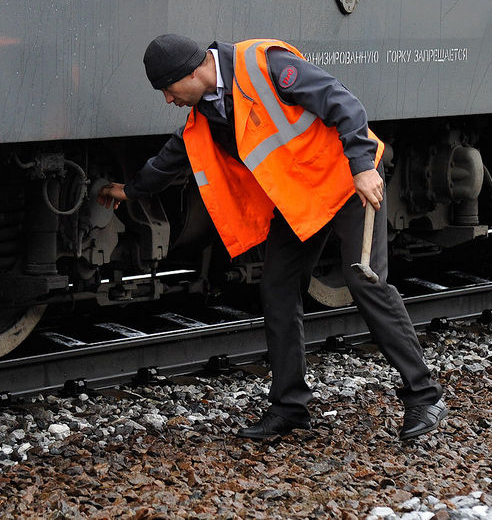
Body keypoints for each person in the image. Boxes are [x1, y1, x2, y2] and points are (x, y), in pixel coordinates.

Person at [97, 34, 446, 440]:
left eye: (169, 90)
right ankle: (290, 407)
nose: (168, 101)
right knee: (277, 287)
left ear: (193, 72)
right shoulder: (206, 112)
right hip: (301, 198)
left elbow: (344, 103)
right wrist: (129, 191)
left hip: (347, 182)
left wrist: (363, 166)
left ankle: (424, 395)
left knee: (364, 280)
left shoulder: (266, 64)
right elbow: (171, 159)